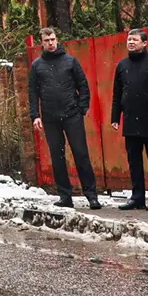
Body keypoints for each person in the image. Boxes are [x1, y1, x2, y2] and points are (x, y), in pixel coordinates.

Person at [29, 26, 104, 209]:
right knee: (57, 156)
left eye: (53, 39)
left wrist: (81, 108)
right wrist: (35, 115)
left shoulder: (70, 61)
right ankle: (65, 196)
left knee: (81, 154)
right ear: (42, 43)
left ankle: (91, 195)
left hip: (72, 115)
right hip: (50, 117)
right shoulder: (37, 66)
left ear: (57, 39)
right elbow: (33, 92)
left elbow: (83, 85)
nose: (50, 43)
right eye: (47, 41)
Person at [110, 26, 148, 211]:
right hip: (130, 120)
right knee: (134, 162)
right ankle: (137, 197)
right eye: (129, 40)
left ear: (144, 43)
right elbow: (117, 93)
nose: (131, 42)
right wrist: (115, 117)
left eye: (135, 40)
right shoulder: (122, 65)